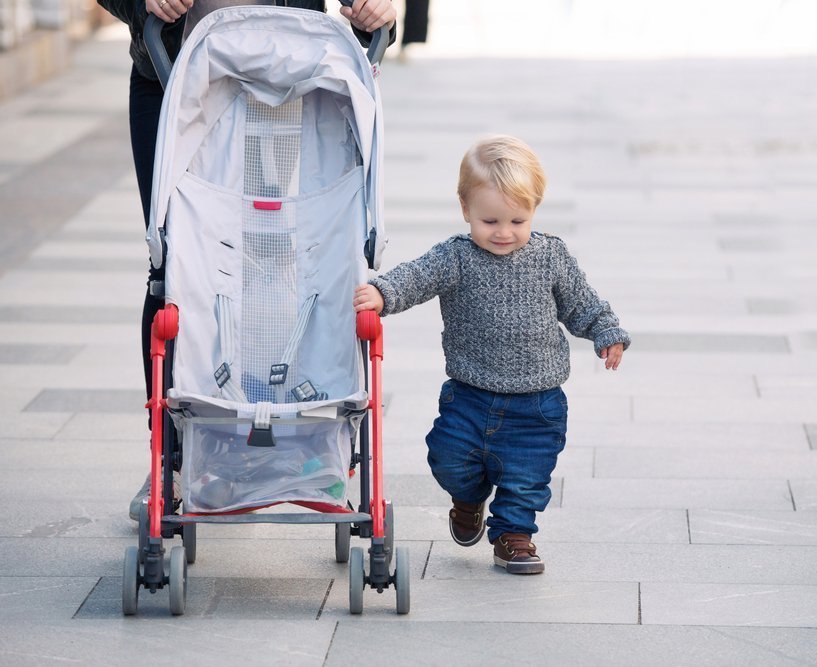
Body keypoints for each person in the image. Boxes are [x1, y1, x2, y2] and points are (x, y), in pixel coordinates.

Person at [94, 0, 396, 521]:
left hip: (292, 78)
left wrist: (378, 10)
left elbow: (375, 9)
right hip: (179, 77)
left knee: (282, 253)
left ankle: (285, 437)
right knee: (176, 263)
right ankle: (173, 454)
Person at [353, 136, 630, 574]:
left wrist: (606, 332)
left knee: (526, 477)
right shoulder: (456, 257)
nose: (503, 232)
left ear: (535, 209)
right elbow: (417, 276)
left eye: (517, 220)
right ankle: (467, 498)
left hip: (538, 404)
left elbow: (582, 304)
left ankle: (514, 537)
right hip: (469, 395)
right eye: (489, 220)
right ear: (465, 210)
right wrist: (383, 293)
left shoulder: (550, 256)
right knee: (447, 459)